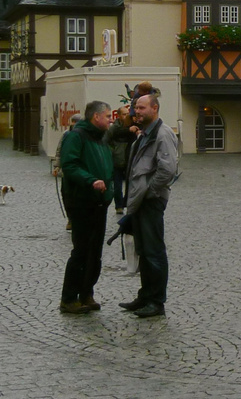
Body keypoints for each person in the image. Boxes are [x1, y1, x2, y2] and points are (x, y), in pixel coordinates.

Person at [118, 90, 178, 318]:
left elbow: (168, 170)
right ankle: (145, 295)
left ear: (155, 108)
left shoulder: (162, 134)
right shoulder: (145, 133)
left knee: (154, 252)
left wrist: (151, 192)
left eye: (142, 107)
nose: (136, 112)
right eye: (136, 108)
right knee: (143, 250)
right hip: (141, 201)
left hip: (151, 201)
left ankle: (156, 301)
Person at [59, 101, 115, 314]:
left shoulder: (101, 138)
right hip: (81, 200)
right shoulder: (76, 136)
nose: (111, 119)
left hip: (99, 201)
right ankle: (69, 298)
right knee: (81, 251)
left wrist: (108, 190)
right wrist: (90, 180)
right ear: (96, 117)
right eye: (108, 116)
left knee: (95, 251)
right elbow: (70, 165)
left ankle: (87, 293)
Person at [103, 107, 134, 215]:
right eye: (124, 114)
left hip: (129, 160)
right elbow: (105, 141)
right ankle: (119, 206)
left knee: (130, 184)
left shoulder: (132, 125)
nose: (126, 116)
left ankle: (128, 203)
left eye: (127, 114)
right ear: (119, 115)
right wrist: (113, 151)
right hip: (117, 160)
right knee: (117, 185)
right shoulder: (114, 128)